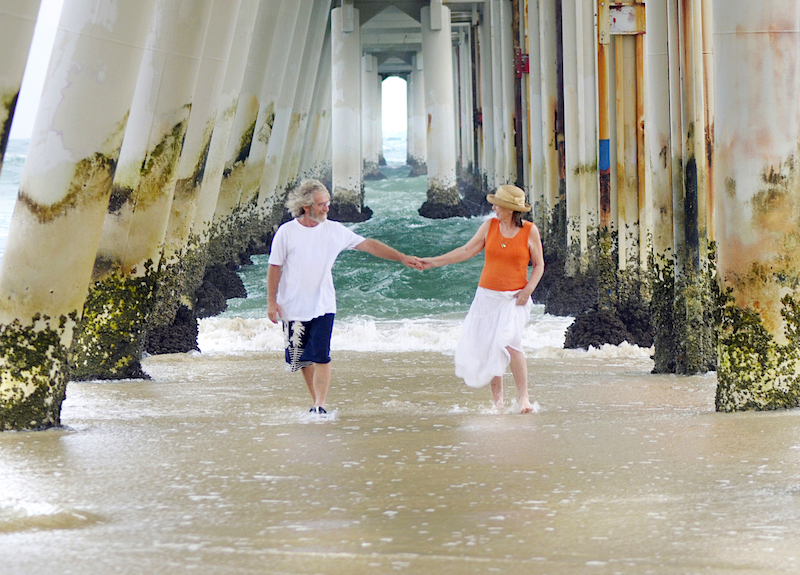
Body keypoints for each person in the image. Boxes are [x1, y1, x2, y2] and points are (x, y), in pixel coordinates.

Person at [267, 179, 422, 414]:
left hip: (323, 304)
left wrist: (401, 257)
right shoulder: (287, 232)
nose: (327, 208)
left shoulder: (335, 231)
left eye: (327, 203)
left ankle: (320, 405)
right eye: (321, 204)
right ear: (306, 206)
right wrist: (271, 302)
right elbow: (274, 267)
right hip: (292, 306)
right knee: (301, 359)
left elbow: (369, 245)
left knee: (321, 356)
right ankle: (315, 401)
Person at [420, 184, 544, 413]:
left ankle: (524, 398)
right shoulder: (490, 226)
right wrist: (433, 261)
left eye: (499, 205)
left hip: (515, 298)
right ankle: (498, 403)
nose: (494, 207)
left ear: (511, 209)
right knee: (491, 347)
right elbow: (466, 251)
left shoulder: (530, 231)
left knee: (509, 342)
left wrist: (528, 291)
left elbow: (538, 265)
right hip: (486, 297)